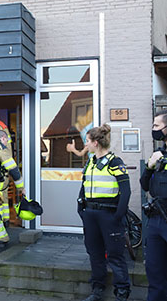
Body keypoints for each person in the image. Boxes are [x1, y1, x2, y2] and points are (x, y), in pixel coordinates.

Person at [78, 124, 131, 301]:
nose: (86, 145)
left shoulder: (115, 162)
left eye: (87, 142)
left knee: (115, 255)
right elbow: (84, 186)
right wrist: (81, 207)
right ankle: (97, 288)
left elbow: (126, 191)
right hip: (91, 214)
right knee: (95, 253)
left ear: (96, 143)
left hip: (109, 215)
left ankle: (122, 291)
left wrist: (119, 215)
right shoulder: (90, 163)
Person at [140, 110, 167, 301]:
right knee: (155, 271)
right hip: (157, 220)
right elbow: (144, 185)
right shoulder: (159, 155)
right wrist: (149, 167)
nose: (153, 130)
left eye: (156, 126)